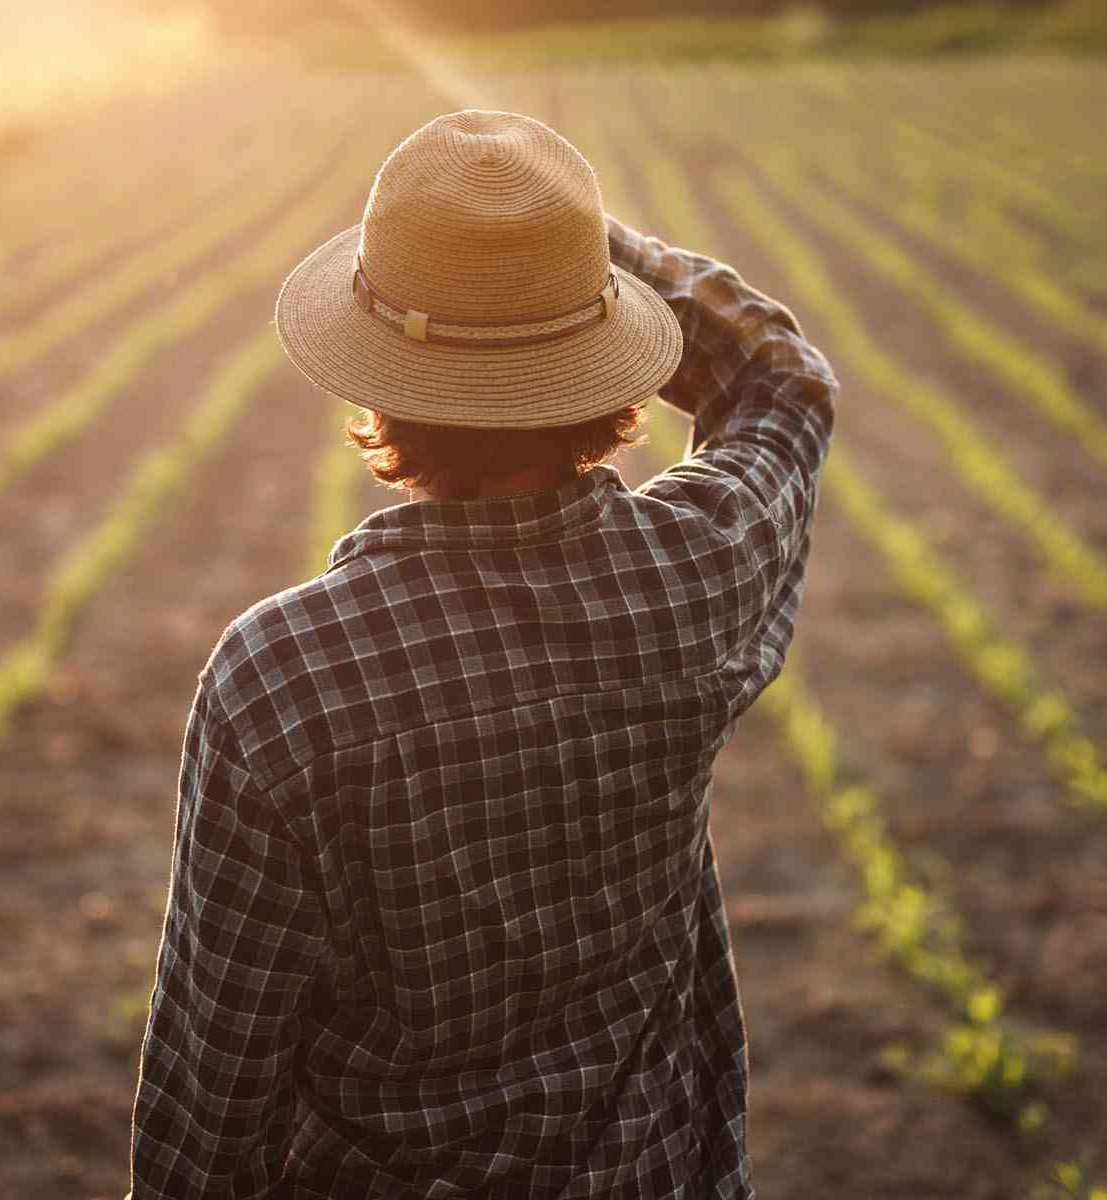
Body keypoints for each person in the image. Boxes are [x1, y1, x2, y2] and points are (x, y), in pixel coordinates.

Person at [128, 109, 837, 1198]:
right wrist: (582, 254)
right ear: (611, 375)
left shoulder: (283, 679)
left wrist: (479, 276)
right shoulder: (691, 576)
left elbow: (211, 1088)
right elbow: (781, 380)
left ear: (374, 384)